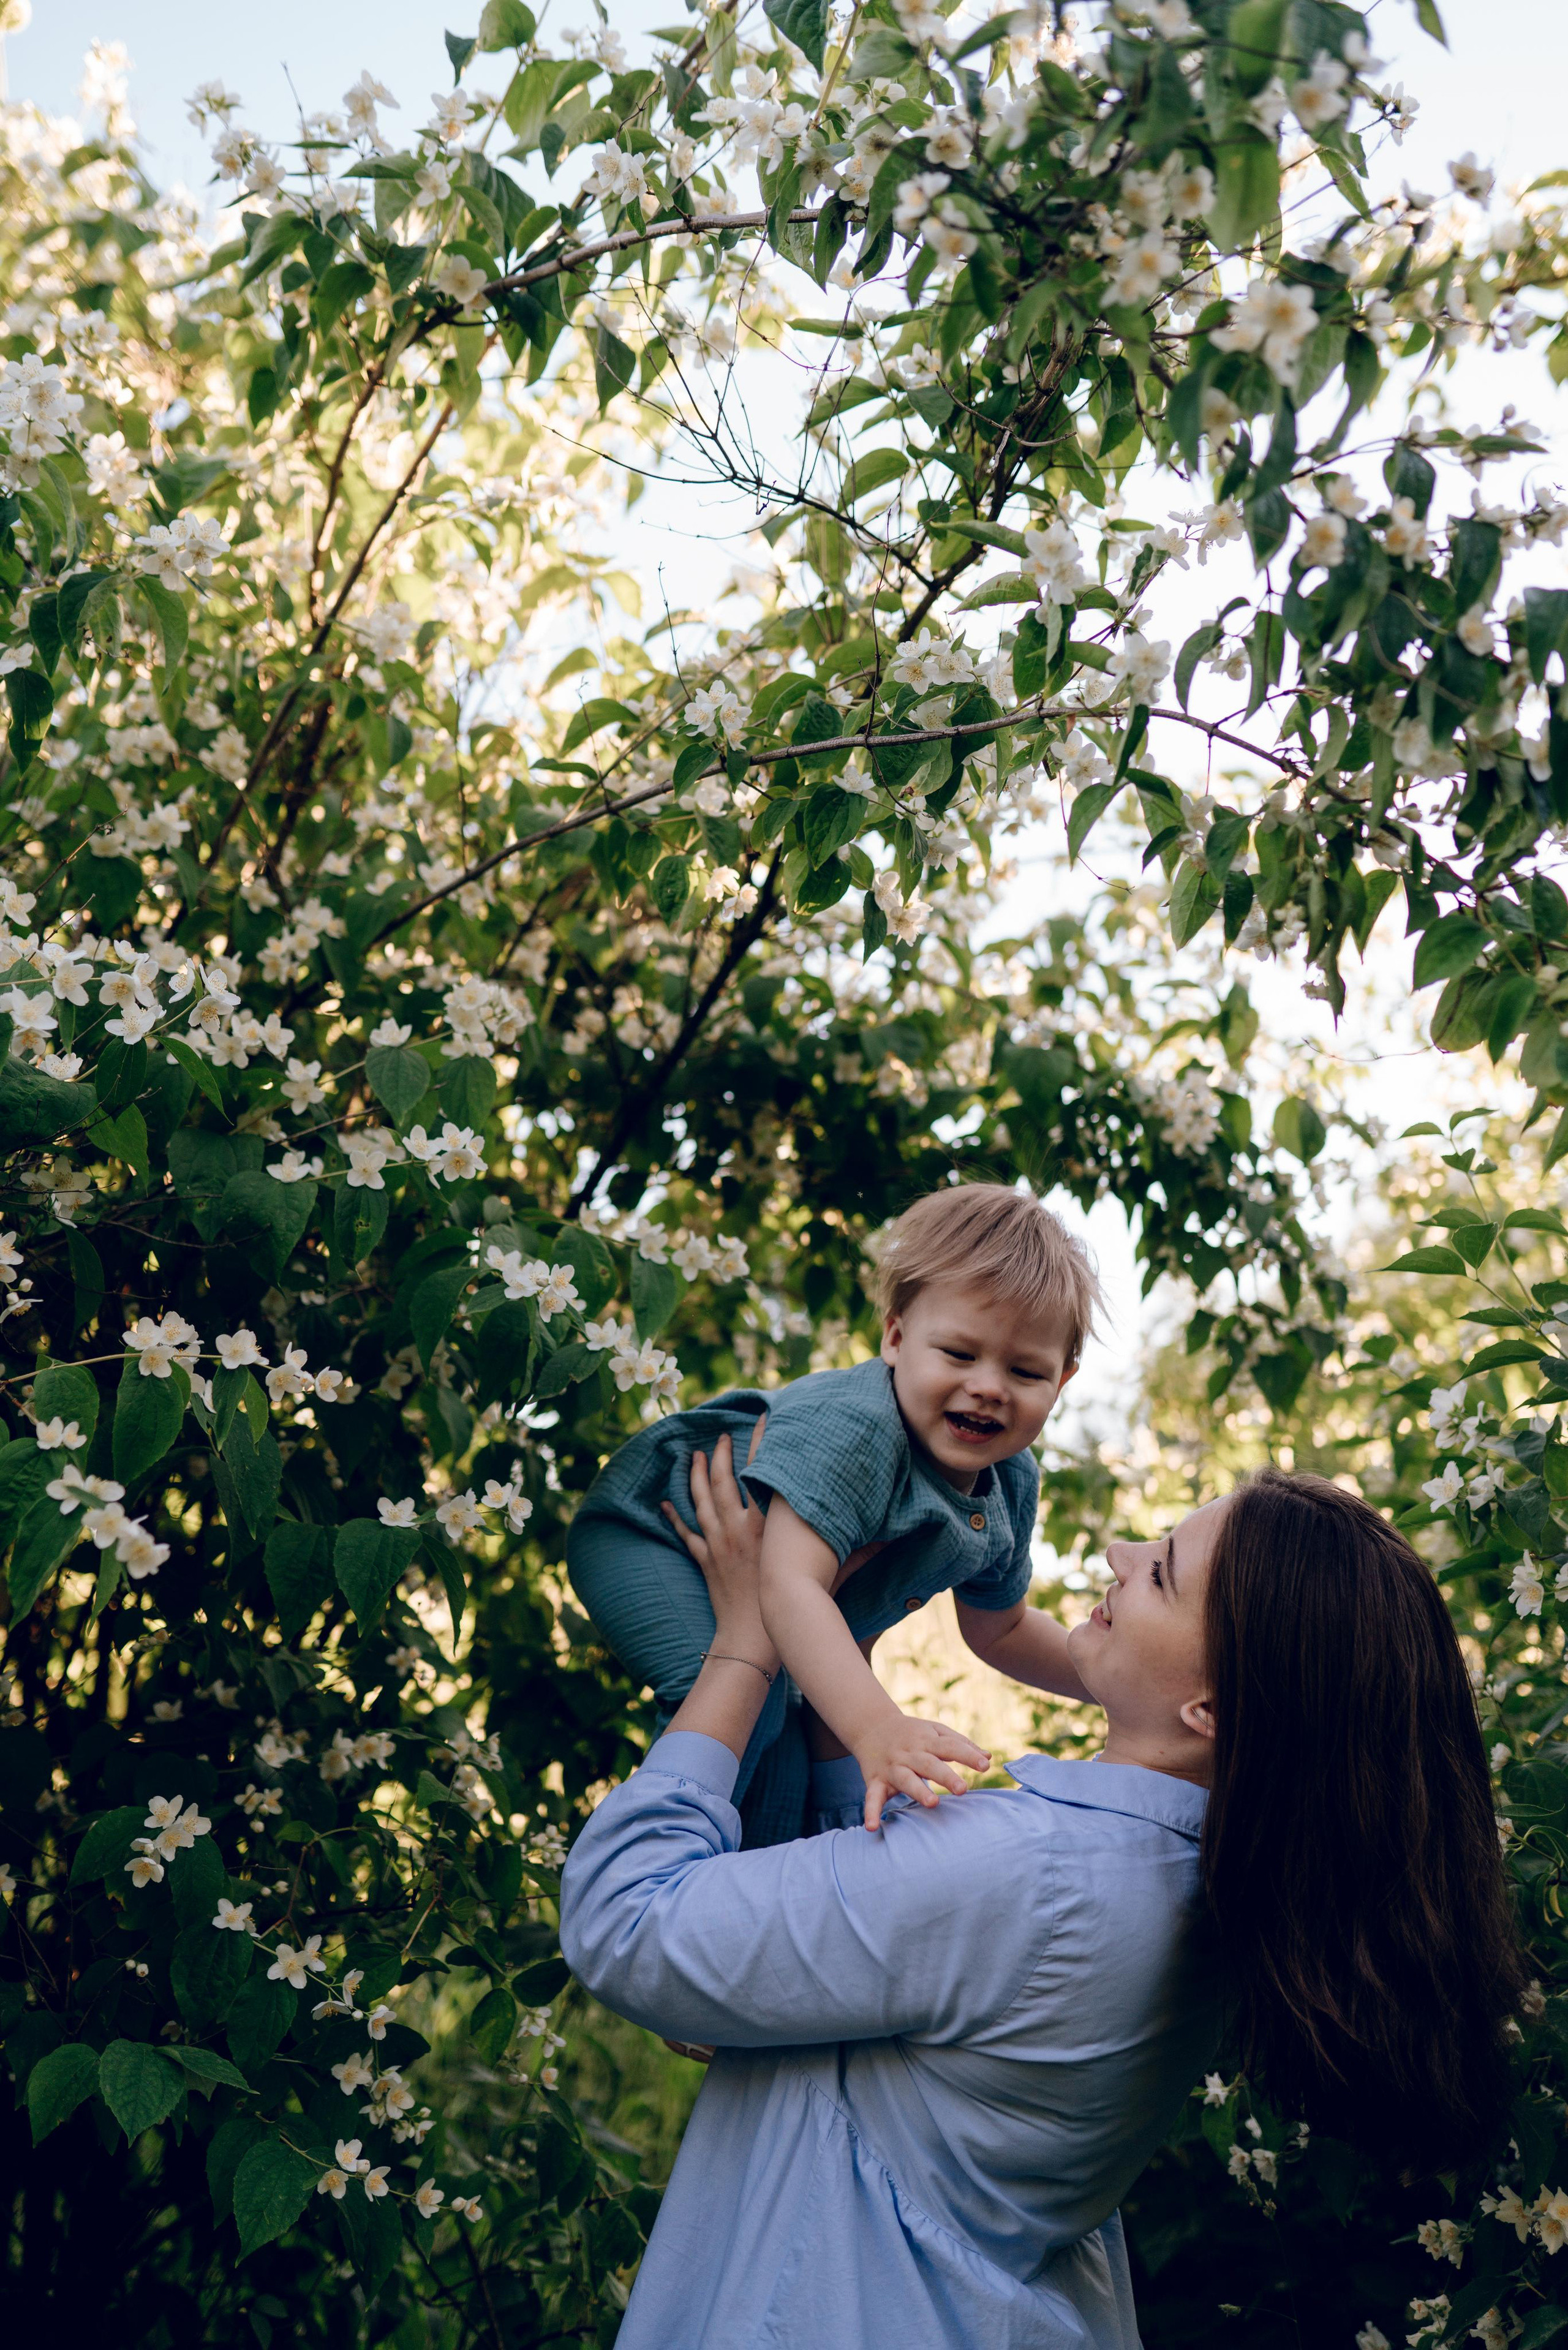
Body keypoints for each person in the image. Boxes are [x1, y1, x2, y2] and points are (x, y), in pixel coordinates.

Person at [560, 1445, 1525, 2350]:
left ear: (1213, 1710)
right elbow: (877, 1960)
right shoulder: (1203, 1899)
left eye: (1161, 1572)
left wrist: (745, 1645)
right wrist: (832, 1685)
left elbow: (625, 1920)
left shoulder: (1030, 1870)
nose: (1119, 1552)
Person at [567, 1184, 1101, 1842]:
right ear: (896, 1338)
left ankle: (797, 1875)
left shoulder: (1009, 1481)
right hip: (655, 1530)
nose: (988, 1386)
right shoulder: (856, 1427)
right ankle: (687, 1875)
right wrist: (877, 1727)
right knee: (755, 1702)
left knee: (805, 1734)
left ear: (1063, 1381)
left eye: (1025, 1372)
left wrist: (1119, 1685)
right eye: (959, 1355)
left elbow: (1003, 1629)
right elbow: (789, 1586)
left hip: (781, 1591)